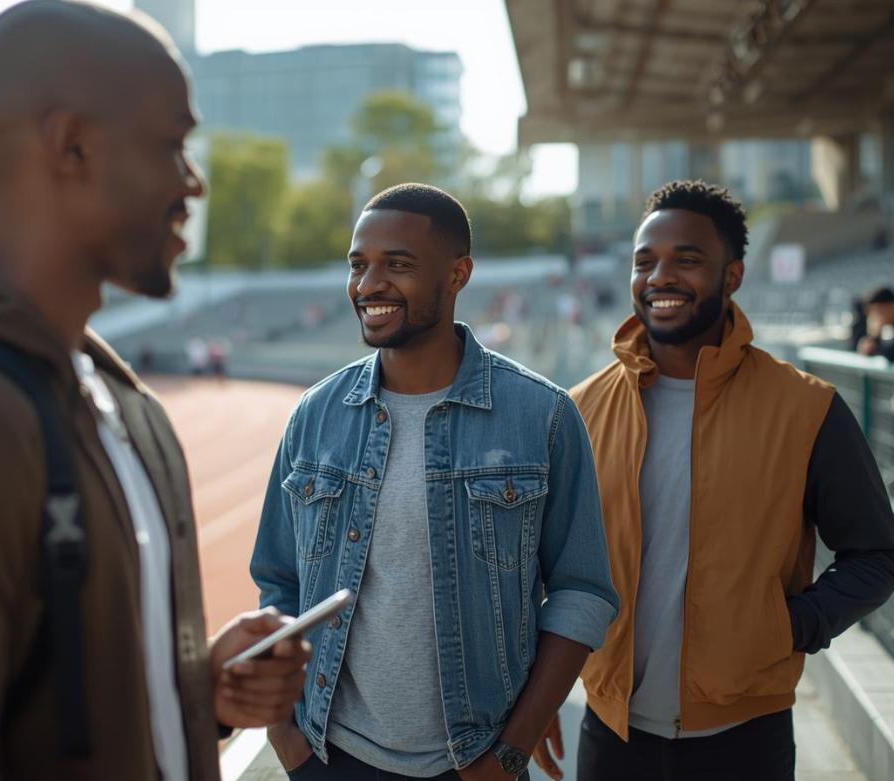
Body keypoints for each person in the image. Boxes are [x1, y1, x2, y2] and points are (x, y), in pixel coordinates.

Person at [0, 3, 309, 779]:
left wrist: (197, 694)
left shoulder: (122, 401)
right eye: (172, 144)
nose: (195, 180)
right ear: (72, 145)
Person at [251, 183, 619, 780]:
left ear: (458, 273)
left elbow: (582, 593)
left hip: (476, 762)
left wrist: (509, 753)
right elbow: (278, 584)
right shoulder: (315, 415)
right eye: (358, 265)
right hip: (330, 757)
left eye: (397, 265)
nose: (369, 285)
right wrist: (288, 742)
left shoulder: (541, 416)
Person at [566, 181, 894, 780]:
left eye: (688, 260)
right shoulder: (577, 410)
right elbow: (543, 566)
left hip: (746, 741)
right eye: (645, 261)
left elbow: (876, 556)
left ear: (733, 276)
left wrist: (788, 628)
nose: (660, 276)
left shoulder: (806, 408)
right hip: (611, 735)